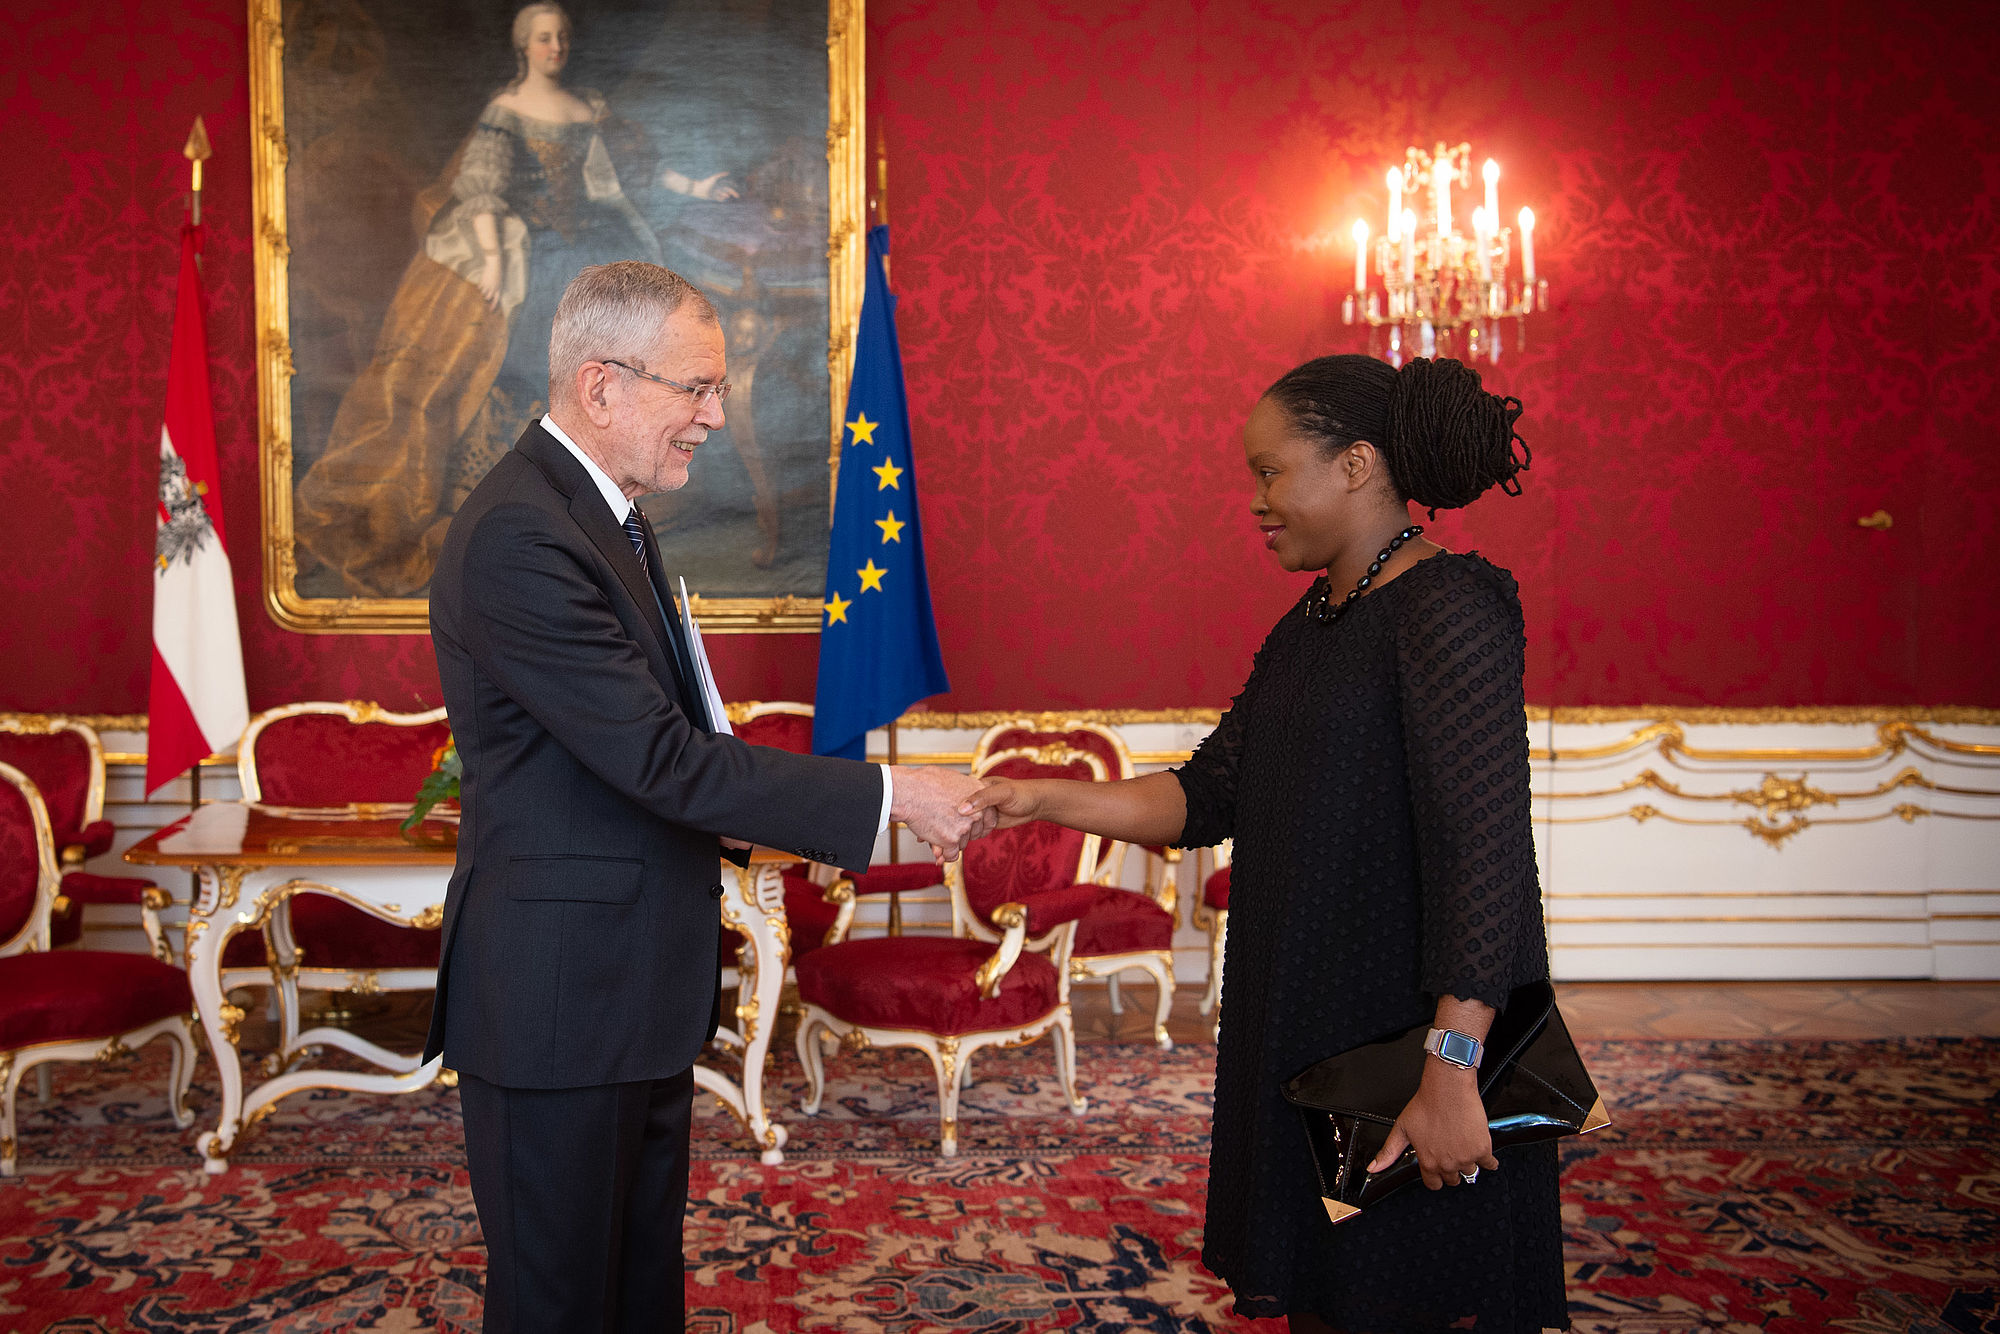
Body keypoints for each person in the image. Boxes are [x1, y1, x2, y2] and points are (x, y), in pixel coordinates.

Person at [425, 260, 991, 1333]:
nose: (716, 417)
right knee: (559, 1306)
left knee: (634, 1295)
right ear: (601, 386)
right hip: (561, 1000)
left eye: (717, 390)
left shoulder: (607, 519)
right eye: (696, 388)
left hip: (622, 990)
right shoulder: (521, 533)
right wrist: (891, 794)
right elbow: (663, 760)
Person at [964, 354, 1564, 1332]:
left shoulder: (1448, 605)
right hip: (1309, 1020)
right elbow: (1207, 794)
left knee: (1413, 1294)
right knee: (1332, 1296)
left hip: (1411, 1042)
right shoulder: (1312, 622)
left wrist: (1453, 1067)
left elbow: (1483, 854)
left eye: (1270, 471)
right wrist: (1036, 797)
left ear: (1356, 464)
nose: (1255, 500)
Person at [299, 2, 737, 598]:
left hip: (581, 252)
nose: (555, 47)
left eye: (561, 37)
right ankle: (512, 488)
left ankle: (593, 498)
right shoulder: (506, 110)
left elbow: (627, 176)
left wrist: (697, 185)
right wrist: (495, 259)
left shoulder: (585, 109)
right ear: (523, 47)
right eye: (543, 38)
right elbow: (480, 189)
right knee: (502, 359)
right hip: (523, 254)